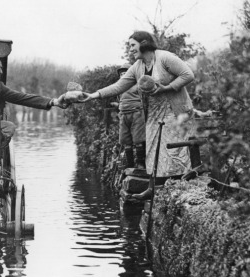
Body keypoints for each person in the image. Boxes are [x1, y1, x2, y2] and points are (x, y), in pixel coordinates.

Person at [70, 31, 195, 178]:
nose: (130, 49)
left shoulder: (165, 58)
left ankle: (178, 182)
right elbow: (119, 86)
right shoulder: (137, 66)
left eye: (132, 45)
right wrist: (92, 95)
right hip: (154, 113)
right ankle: (158, 183)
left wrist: (166, 88)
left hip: (174, 110)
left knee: (174, 149)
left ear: (144, 43)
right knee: (155, 150)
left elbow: (188, 74)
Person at [115, 63, 146, 169]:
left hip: (136, 112)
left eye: (126, 73)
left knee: (138, 139)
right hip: (124, 114)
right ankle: (130, 164)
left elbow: (144, 97)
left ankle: (140, 163)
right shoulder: (119, 87)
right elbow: (119, 100)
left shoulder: (137, 84)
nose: (123, 76)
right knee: (125, 139)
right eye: (121, 74)